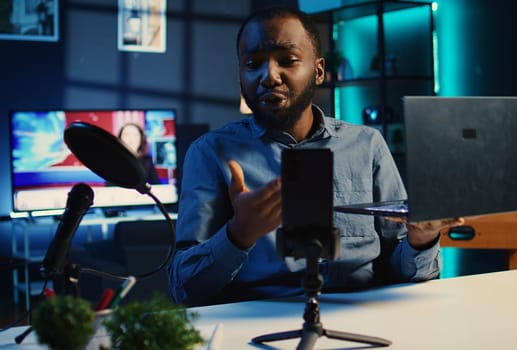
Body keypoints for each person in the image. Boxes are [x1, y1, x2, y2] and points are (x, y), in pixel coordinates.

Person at [167, 7, 464, 306]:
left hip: (363, 317)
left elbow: (402, 272)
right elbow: (183, 288)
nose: (268, 76)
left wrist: (421, 240)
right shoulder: (209, 153)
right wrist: (238, 235)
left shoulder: (367, 144)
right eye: (252, 63)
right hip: (257, 326)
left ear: (318, 71)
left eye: (287, 60)